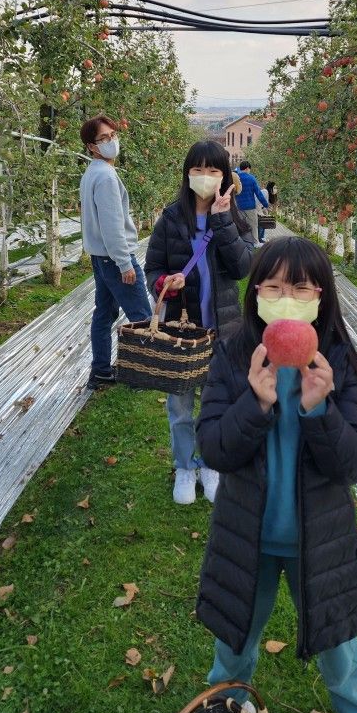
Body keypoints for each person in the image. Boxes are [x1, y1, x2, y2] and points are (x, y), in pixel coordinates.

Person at [195, 235, 357, 713]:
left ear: (321, 297)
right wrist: (252, 404)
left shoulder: (338, 363)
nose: (286, 298)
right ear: (255, 294)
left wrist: (321, 409)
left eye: (300, 289)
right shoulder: (235, 356)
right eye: (273, 286)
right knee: (234, 637)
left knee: (337, 640)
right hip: (247, 533)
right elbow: (213, 447)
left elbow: (354, 463)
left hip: (315, 535)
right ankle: (224, 709)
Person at [145, 141, 254, 505]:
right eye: (197, 169)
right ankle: (184, 466)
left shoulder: (237, 219)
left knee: (214, 404)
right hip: (180, 332)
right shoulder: (171, 219)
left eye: (213, 171)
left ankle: (209, 464)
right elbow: (153, 269)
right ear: (187, 174)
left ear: (225, 177)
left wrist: (222, 221)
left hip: (222, 333)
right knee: (179, 406)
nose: (204, 177)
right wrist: (163, 284)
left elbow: (243, 269)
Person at [79, 114, 152, 390]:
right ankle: (143, 373)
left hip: (100, 257)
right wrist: (125, 263)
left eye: (113, 135)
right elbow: (111, 226)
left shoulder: (92, 173)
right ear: (92, 146)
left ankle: (99, 371)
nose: (111, 141)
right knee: (141, 316)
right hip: (113, 258)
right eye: (104, 138)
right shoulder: (106, 177)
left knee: (104, 314)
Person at [234, 160, 269, 243]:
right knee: (253, 225)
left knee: (240, 225)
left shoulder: (236, 178)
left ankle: (241, 241)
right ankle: (255, 242)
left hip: (238, 207)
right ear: (247, 168)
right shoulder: (251, 178)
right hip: (250, 207)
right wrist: (265, 204)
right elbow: (258, 193)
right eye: (249, 169)